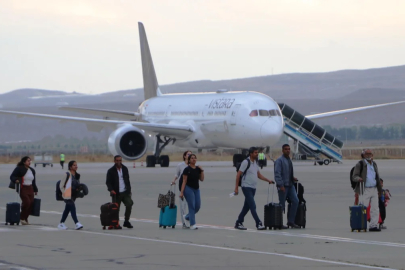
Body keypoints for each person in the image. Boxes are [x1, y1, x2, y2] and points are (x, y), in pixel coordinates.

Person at [234, 147, 274, 230]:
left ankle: (239, 222)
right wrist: (236, 188)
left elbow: (258, 175)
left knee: (247, 206)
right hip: (246, 187)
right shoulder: (246, 162)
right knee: (252, 205)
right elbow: (238, 174)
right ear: (251, 153)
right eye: (255, 152)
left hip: (253, 188)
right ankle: (258, 223)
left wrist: (268, 180)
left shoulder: (255, 162)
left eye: (257, 152)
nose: (257, 154)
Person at [352, 149, 383, 232]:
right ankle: (359, 224)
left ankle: (373, 226)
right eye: (367, 154)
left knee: (375, 208)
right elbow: (354, 176)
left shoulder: (374, 164)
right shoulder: (360, 164)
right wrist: (359, 179)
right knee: (363, 208)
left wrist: (380, 190)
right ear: (364, 155)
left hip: (374, 188)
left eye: (370, 154)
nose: (369, 155)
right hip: (364, 189)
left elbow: (377, 177)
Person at [274, 144, 300, 229]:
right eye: (286, 149)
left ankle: (291, 221)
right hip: (283, 186)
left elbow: (287, 172)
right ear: (282, 150)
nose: (288, 150)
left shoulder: (289, 160)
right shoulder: (279, 160)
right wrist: (280, 185)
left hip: (290, 184)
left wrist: (292, 178)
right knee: (282, 205)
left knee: (296, 201)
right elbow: (277, 174)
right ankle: (279, 223)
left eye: (289, 149)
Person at [106, 155, 134, 229]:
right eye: (117, 160)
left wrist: (129, 190)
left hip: (125, 192)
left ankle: (126, 221)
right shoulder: (111, 171)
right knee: (116, 209)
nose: (119, 162)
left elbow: (127, 180)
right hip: (116, 193)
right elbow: (108, 182)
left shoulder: (125, 169)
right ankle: (116, 223)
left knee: (129, 204)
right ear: (114, 161)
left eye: (120, 160)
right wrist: (111, 190)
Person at [10, 156, 38, 225]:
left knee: (31, 203)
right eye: (28, 161)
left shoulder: (32, 170)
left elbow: (34, 181)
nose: (29, 162)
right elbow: (12, 176)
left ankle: (25, 218)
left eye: (30, 161)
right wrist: (15, 180)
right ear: (24, 162)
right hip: (23, 188)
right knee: (26, 202)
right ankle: (21, 217)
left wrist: (35, 189)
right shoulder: (19, 168)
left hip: (30, 188)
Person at [180, 154, 204, 230]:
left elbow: (202, 179)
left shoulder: (198, 169)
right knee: (192, 206)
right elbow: (184, 181)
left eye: (195, 158)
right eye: (192, 158)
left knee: (197, 206)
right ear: (189, 160)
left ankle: (187, 217)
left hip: (196, 189)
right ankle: (192, 224)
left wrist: (202, 170)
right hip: (188, 188)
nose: (194, 159)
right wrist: (182, 192)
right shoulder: (187, 169)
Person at [58, 160, 83, 230]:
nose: (76, 166)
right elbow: (61, 185)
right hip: (67, 195)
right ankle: (77, 223)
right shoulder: (67, 174)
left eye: (76, 165)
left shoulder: (77, 175)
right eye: (74, 165)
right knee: (72, 207)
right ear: (70, 167)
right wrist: (65, 193)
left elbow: (78, 185)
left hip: (73, 195)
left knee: (67, 209)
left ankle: (61, 223)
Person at [172, 150, 192, 229]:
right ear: (184, 156)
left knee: (191, 205)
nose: (190, 155)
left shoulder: (192, 165)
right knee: (183, 206)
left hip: (191, 187)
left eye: (191, 154)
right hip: (182, 187)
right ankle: (184, 223)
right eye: (188, 154)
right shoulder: (180, 165)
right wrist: (173, 180)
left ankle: (190, 220)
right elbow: (177, 174)